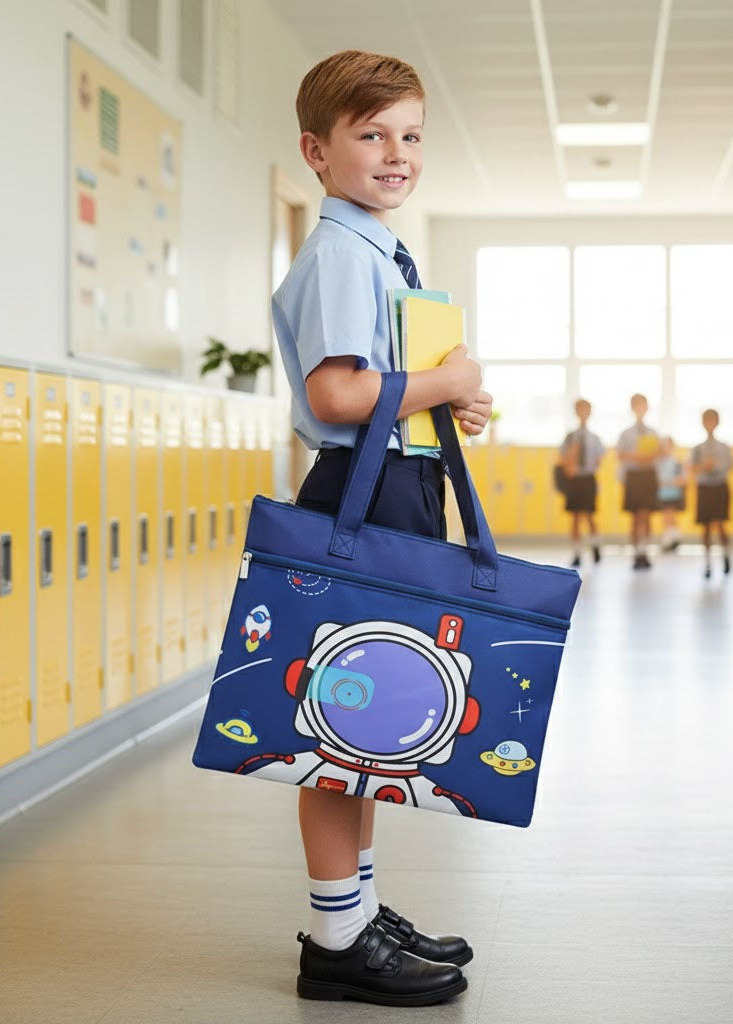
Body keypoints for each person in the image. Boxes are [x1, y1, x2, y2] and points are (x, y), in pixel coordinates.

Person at [270, 50, 492, 1005]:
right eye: (372, 136)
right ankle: (336, 938)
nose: (396, 154)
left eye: (410, 137)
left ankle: (355, 914)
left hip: (396, 484)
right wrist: (440, 384)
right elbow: (335, 390)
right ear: (319, 152)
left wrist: (450, 408)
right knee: (342, 734)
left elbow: (381, 387)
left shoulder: (376, 249)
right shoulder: (336, 253)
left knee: (372, 729)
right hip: (358, 494)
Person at [556, 398, 605, 568]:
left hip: (588, 478)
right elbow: (562, 460)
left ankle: (596, 547)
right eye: (580, 410)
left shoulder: (595, 438)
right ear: (576, 412)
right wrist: (572, 454)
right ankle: (577, 553)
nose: (583, 413)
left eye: (586, 410)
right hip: (575, 479)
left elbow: (599, 461)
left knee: (590, 516)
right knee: (575, 517)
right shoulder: (570, 437)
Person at [616, 393, 660, 570]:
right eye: (638, 405)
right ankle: (635, 553)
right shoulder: (626, 434)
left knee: (647, 515)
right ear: (633, 408)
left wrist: (649, 456)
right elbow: (620, 454)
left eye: (644, 405)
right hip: (633, 476)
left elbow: (659, 454)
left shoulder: (653, 433)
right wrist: (639, 456)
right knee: (635, 516)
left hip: (648, 475)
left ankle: (644, 551)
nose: (641, 409)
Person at [690, 409, 733, 579]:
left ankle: (726, 555)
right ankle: (708, 562)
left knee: (721, 523)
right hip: (705, 488)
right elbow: (692, 467)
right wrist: (703, 467)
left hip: (719, 486)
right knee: (706, 526)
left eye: (712, 420)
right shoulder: (698, 448)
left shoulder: (723, 447)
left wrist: (715, 465)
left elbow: (730, 464)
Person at [655, 436, 685, 552]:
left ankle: (672, 538)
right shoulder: (658, 462)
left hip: (673, 493)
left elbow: (682, 479)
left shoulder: (676, 462)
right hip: (662, 493)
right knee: (666, 516)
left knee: (671, 515)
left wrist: (670, 482)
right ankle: (671, 538)